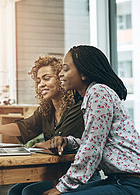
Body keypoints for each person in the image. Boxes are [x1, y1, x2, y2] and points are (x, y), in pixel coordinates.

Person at [0, 55, 86, 195]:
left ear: (60, 78)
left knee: (28, 192)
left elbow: (59, 142)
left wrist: (46, 144)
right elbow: (25, 126)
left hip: (76, 173)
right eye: (38, 81)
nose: (41, 84)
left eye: (46, 78)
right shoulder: (46, 110)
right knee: (14, 191)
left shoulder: (77, 108)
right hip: (54, 171)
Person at [43, 45, 140, 195]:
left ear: (84, 74)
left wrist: (61, 187)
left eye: (66, 69)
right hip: (119, 179)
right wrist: (68, 142)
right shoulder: (91, 96)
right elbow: (96, 141)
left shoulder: (98, 92)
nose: (60, 74)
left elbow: (92, 148)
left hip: (132, 182)